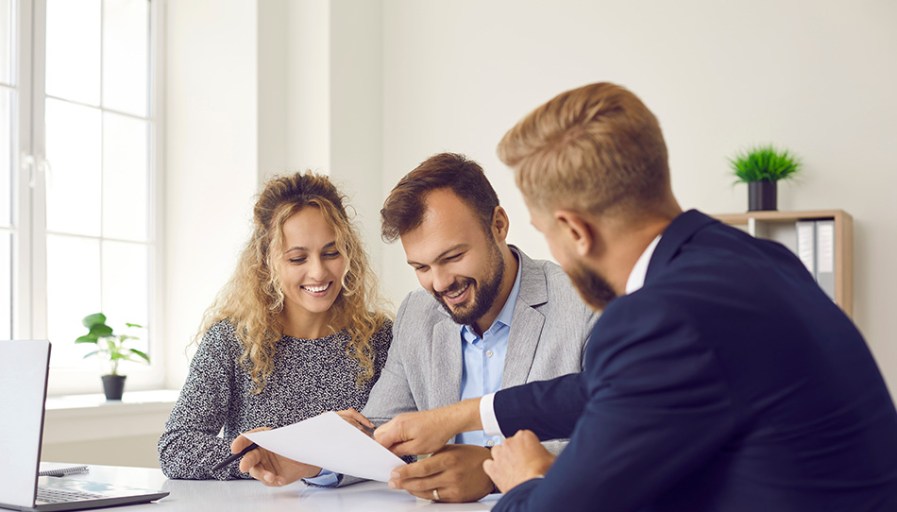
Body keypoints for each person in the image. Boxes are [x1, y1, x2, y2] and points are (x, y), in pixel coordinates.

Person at [374, 83, 897, 511]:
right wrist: (465, 416)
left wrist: (526, 480)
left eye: (542, 229)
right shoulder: (752, 259)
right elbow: (600, 390)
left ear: (575, 231)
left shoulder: (661, 317)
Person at [235, 153, 597, 502]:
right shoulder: (418, 313)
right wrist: (310, 459)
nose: (439, 284)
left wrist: (490, 472)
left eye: (453, 257)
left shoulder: (584, 300)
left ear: (498, 225)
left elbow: (621, 436)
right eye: (421, 267)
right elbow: (380, 429)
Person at [158, 171, 392, 480]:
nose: (318, 272)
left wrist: (307, 450)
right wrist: (282, 452)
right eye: (297, 259)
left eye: (331, 253)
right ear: (267, 262)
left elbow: (403, 450)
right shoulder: (232, 340)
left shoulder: (378, 337)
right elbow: (176, 448)